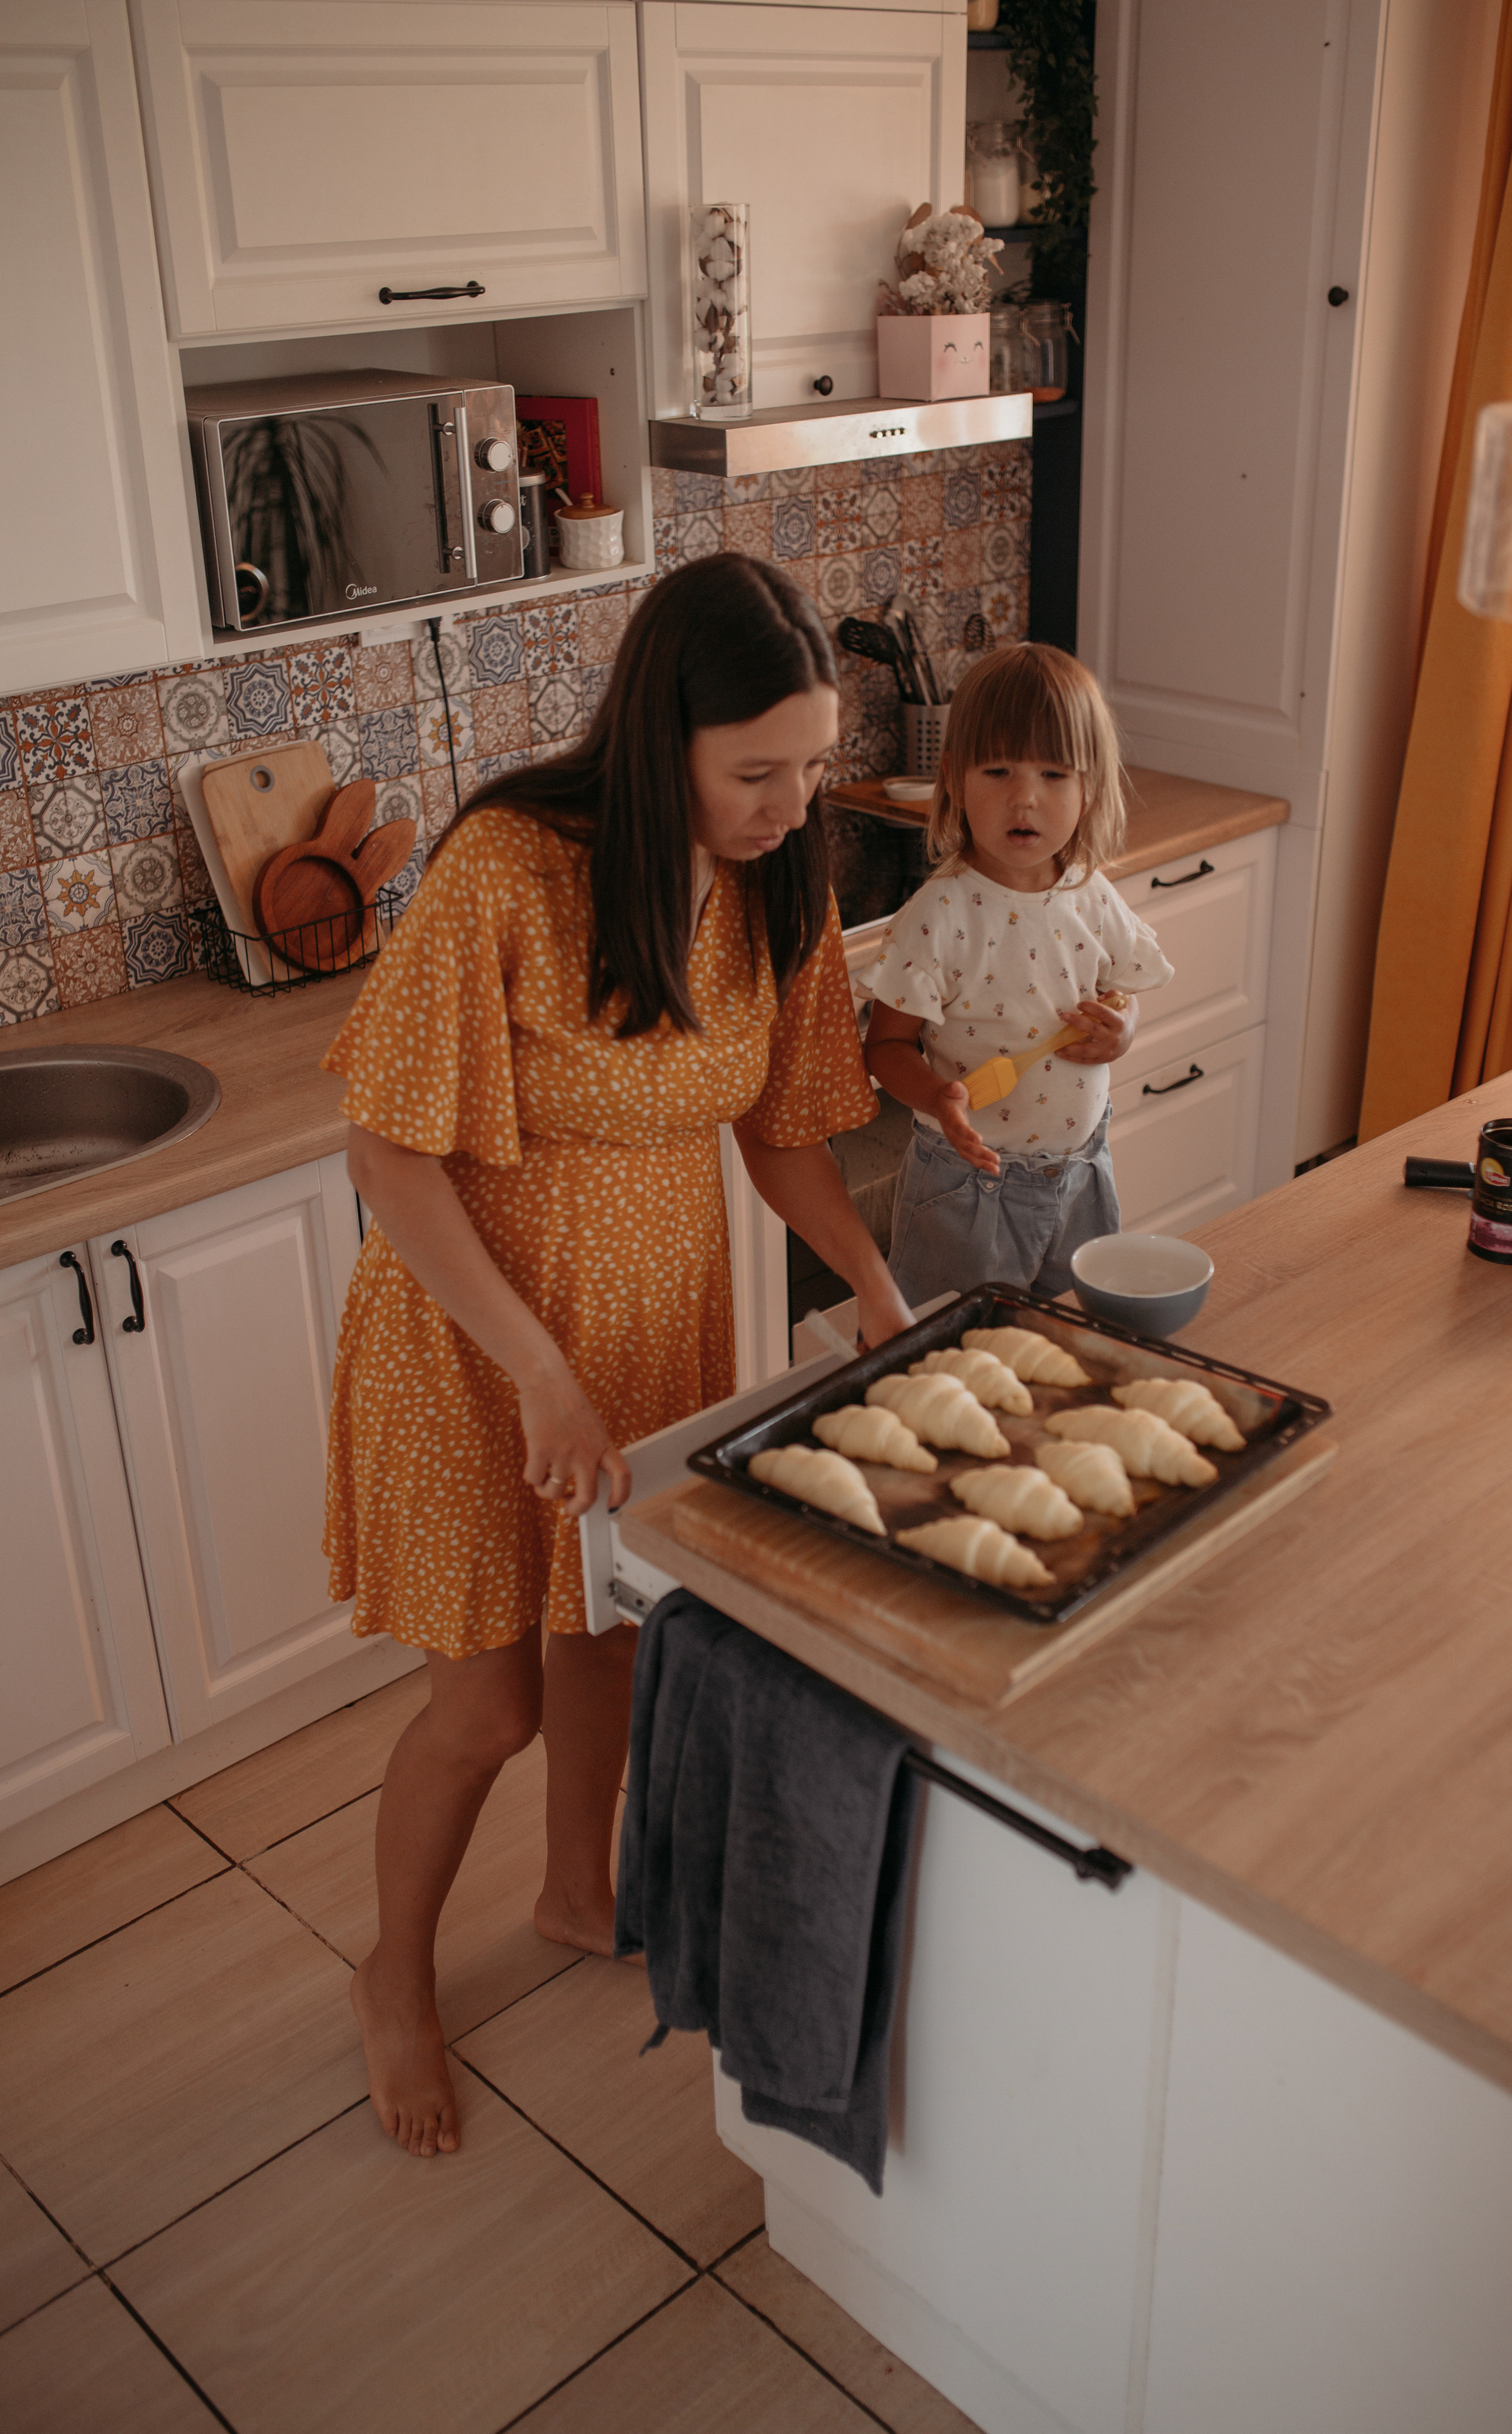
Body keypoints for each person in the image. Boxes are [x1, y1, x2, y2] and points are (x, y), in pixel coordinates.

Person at [321, 555, 913, 2160]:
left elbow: (785, 1130)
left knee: (615, 1641)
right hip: (474, 1340)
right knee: (487, 1703)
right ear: (663, 744)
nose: (793, 801)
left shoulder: (784, 881)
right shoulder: (510, 872)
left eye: (808, 763)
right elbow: (386, 1153)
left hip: (649, 1328)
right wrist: (535, 1369)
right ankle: (393, 1972)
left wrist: (867, 1280)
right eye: (755, 772)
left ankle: (582, 1893)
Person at [861, 643, 1174, 1307]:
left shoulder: (1091, 895)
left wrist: (1120, 1035)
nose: (1024, 798)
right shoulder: (939, 915)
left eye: (1055, 775)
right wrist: (935, 1096)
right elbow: (885, 1047)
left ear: (1089, 788)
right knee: (954, 1355)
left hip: (1082, 1174)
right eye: (998, 770)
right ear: (953, 779)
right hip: (970, 1189)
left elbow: (1121, 995)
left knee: (1071, 1337)